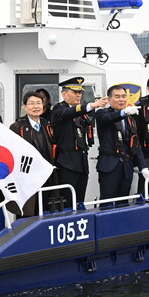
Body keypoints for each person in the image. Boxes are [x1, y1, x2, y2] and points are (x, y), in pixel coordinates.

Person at [51, 77, 108, 207]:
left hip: (81, 164)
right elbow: (69, 113)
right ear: (64, 94)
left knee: (79, 201)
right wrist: (91, 105)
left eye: (80, 92)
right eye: (75, 92)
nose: (79, 95)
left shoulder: (80, 112)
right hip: (66, 164)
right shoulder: (59, 109)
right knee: (67, 203)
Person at [96, 85, 149, 202]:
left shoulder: (130, 118)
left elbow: (136, 143)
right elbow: (108, 119)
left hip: (126, 167)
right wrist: (123, 112)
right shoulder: (102, 113)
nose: (121, 100)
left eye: (123, 96)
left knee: (123, 202)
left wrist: (143, 168)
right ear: (109, 99)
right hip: (110, 167)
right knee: (107, 202)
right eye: (117, 97)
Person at [9, 91, 58, 216]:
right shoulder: (17, 127)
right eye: (31, 103)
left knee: (46, 213)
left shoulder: (46, 125)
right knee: (27, 215)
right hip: (27, 180)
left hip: (46, 177)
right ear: (24, 107)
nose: (36, 106)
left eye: (39, 103)